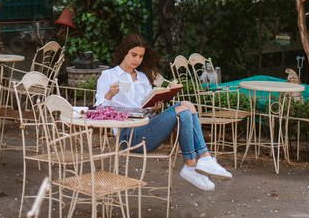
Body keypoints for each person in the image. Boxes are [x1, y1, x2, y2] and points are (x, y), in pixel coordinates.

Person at [95, 34, 232, 191]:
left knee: (187, 106)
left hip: (146, 130)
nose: (137, 60)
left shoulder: (142, 78)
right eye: (133, 55)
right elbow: (98, 110)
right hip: (128, 137)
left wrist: (153, 109)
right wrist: (110, 95)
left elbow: (146, 110)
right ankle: (196, 163)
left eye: (141, 56)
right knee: (183, 109)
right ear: (124, 52)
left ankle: (197, 164)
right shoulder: (108, 75)